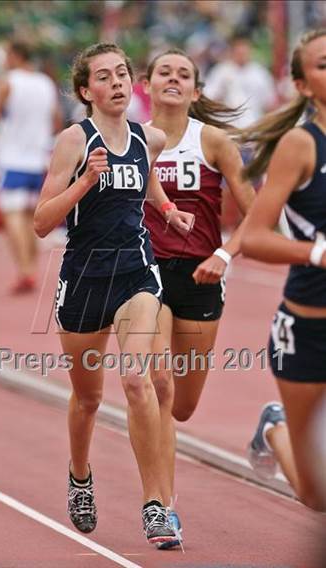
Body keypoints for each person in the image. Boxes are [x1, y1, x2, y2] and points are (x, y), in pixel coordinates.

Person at [33, 42, 194, 545]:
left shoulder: (151, 137)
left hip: (135, 274)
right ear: (86, 91)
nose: (118, 83)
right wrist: (84, 182)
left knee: (136, 379)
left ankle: (155, 506)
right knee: (87, 400)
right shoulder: (73, 141)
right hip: (83, 281)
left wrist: (166, 211)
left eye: (123, 73)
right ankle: (80, 476)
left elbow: (144, 181)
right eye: (104, 77)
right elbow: (41, 222)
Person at [142, 48, 256, 548]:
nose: (173, 78)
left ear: (196, 90)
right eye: (164, 71)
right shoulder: (130, 139)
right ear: (146, 84)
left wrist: (225, 256)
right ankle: (163, 509)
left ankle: (269, 424)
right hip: (146, 275)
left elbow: (259, 214)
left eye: (182, 73)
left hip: (202, 277)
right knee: (158, 385)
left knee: (183, 406)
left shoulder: (213, 141)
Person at [240, 28, 326, 512]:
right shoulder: (301, 144)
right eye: (323, 64)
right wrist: (317, 253)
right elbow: (254, 236)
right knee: (316, 496)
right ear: (302, 84)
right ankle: (274, 426)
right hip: (308, 331)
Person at [0, 40, 63, 293]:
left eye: (7, 55)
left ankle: (25, 269)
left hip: (12, 156)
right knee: (30, 216)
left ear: (16, 55)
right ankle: (31, 268)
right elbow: (57, 120)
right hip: (38, 157)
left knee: (12, 215)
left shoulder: (8, 82)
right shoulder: (46, 83)